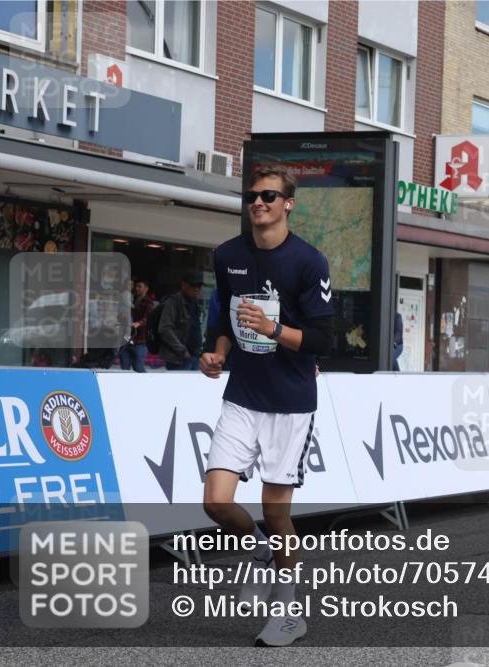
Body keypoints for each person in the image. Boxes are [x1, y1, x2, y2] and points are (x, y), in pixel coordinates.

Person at [200, 165, 334, 647]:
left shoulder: (309, 261)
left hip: (290, 403)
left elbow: (323, 338)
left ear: (288, 204)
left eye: (269, 196)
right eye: (252, 195)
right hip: (242, 395)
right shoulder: (228, 255)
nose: (258, 202)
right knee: (216, 502)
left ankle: (289, 615)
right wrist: (216, 352)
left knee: (276, 514)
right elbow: (223, 318)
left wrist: (273, 330)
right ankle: (260, 551)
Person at [158, 271, 205, 371]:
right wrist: (182, 351)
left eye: (199, 286)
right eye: (193, 285)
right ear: (184, 285)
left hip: (195, 356)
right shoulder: (173, 302)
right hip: (179, 358)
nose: (197, 289)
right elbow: (164, 329)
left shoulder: (195, 303)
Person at [119, 278, 155, 372]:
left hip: (141, 341)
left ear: (146, 288)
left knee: (138, 368)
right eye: (136, 286)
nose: (136, 288)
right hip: (127, 339)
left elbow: (148, 318)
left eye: (139, 286)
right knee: (124, 368)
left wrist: (139, 323)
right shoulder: (131, 300)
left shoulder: (149, 302)